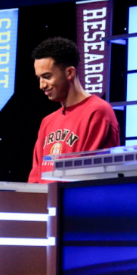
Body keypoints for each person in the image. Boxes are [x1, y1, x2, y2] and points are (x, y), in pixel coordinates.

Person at [29, 37, 120, 183]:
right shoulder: (47, 122)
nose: (42, 85)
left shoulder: (98, 111)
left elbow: (86, 173)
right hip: (47, 203)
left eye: (47, 77)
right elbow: (35, 179)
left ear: (70, 73)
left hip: (80, 203)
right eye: (39, 78)